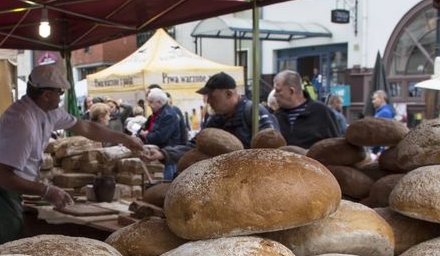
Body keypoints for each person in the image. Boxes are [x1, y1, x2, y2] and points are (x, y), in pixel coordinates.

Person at [0, 64, 143, 253]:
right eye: (59, 92)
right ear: (46, 95)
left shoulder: (49, 111)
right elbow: (0, 176)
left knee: (8, 247)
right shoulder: (22, 122)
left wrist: (124, 138)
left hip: (8, 189)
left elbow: (86, 128)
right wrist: (46, 190)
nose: (61, 96)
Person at [141, 72, 275, 173]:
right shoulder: (216, 119)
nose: (208, 101)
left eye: (212, 96)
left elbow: (272, 147)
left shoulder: (254, 112)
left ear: (229, 94)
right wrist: (164, 153)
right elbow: (196, 145)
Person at [272, 70, 341, 149]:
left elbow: (336, 147)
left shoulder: (322, 112)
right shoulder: (276, 116)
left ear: (291, 91)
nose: (274, 95)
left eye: (278, 90)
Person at [140, 88, 186, 180]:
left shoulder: (168, 115)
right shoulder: (157, 114)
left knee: (167, 184)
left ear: (160, 102)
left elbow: (160, 136)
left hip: (169, 155)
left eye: (151, 102)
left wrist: (146, 135)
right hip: (163, 154)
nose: (149, 105)